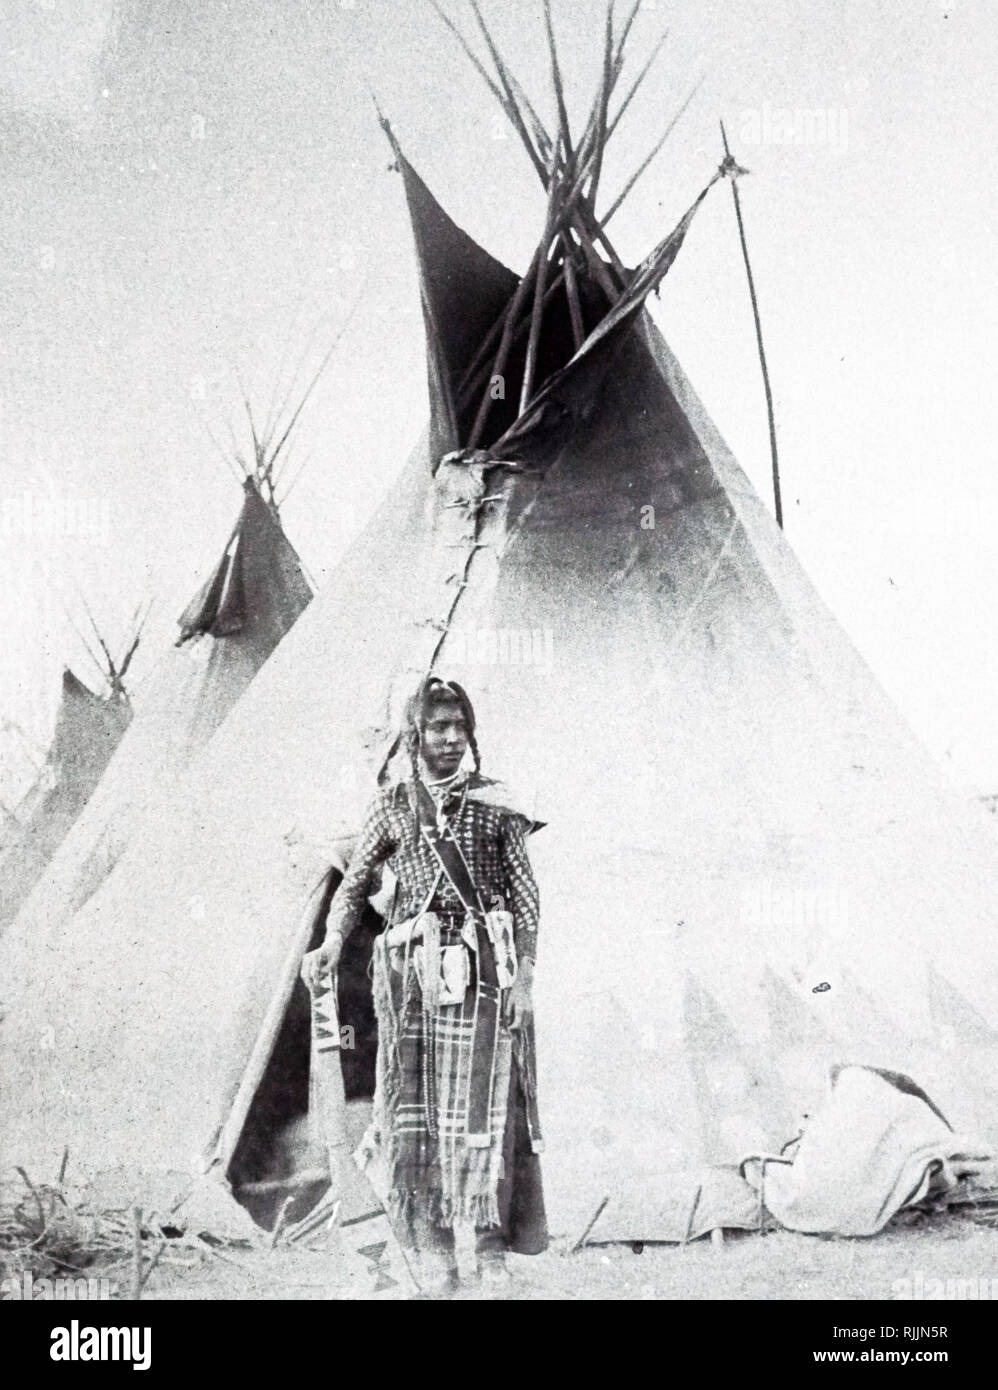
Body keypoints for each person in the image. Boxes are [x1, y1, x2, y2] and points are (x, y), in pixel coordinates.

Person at [301, 676, 547, 1293]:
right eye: (440, 727)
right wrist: (332, 941)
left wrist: (525, 981)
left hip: (490, 979)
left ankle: (491, 1256)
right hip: (414, 987)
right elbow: (355, 885)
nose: (453, 739)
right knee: (419, 1122)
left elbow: (526, 897)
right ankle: (436, 1257)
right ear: (415, 735)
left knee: (488, 1115)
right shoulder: (392, 806)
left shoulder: (496, 804)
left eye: (461, 726)